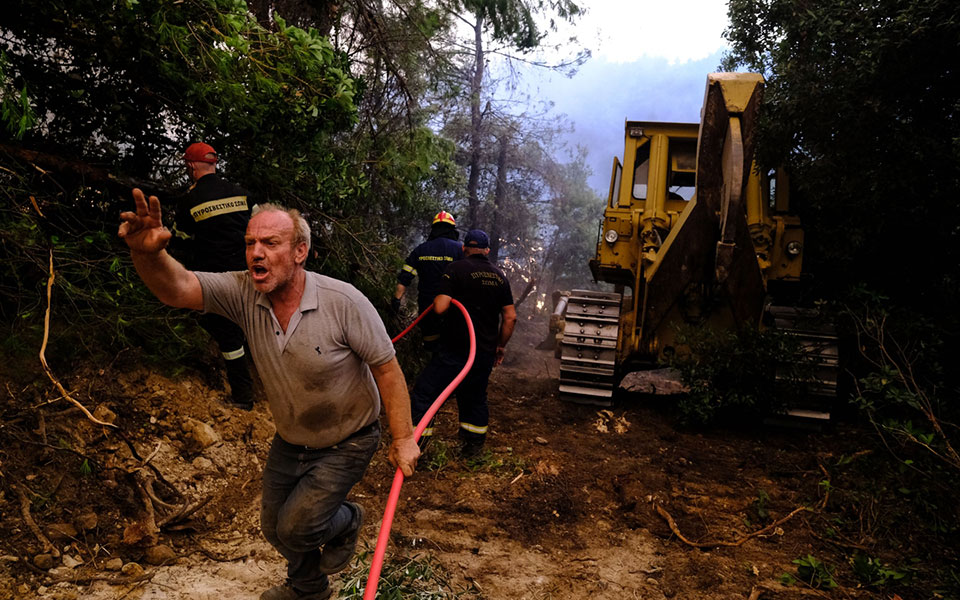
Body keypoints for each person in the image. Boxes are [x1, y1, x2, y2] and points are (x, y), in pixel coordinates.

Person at [118, 189, 420, 600]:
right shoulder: (243, 292)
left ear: (299, 252)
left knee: (298, 528)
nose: (256, 253)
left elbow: (387, 370)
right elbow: (178, 288)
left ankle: (348, 519)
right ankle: (308, 589)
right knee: (274, 528)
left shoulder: (344, 302)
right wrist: (148, 255)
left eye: (270, 243)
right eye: (250, 243)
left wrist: (403, 438)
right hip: (292, 438)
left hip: (348, 437)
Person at [409, 229, 516, 457]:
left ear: (465, 248)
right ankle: (472, 450)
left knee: (425, 393)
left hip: (454, 350)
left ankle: (417, 447)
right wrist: (500, 346)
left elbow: (440, 307)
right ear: (487, 250)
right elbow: (510, 317)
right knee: (474, 397)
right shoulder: (500, 276)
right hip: (483, 352)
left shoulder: (455, 269)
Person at [173, 142, 255, 409]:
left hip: (216, 281)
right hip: (251, 275)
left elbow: (181, 239)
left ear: (191, 165)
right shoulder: (241, 194)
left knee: (228, 337)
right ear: (214, 163)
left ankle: (243, 398)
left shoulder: (189, 201)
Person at [392, 211, 463, 351]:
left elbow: (404, 278)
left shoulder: (421, 250)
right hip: (453, 308)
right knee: (452, 347)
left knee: (431, 346)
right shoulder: (460, 250)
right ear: (452, 229)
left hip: (427, 307)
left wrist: (396, 300)